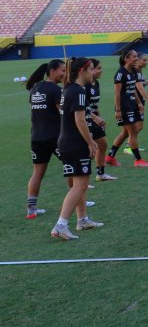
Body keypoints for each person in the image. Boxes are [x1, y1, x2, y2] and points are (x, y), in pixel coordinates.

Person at [50, 57, 102, 240]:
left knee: (81, 184)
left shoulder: (69, 88)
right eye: (91, 69)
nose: (93, 72)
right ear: (82, 70)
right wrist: (90, 142)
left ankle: (82, 220)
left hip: (66, 141)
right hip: (75, 142)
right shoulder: (78, 90)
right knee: (79, 185)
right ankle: (61, 225)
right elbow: (79, 119)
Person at [25, 59, 66, 220]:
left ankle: (31, 209)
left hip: (36, 137)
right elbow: (63, 113)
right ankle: (78, 201)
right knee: (71, 166)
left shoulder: (35, 88)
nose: (65, 74)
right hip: (55, 137)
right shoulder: (56, 90)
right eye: (62, 70)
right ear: (52, 71)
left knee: (37, 174)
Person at [107, 50, 148, 168]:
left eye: (137, 56)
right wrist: (118, 110)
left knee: (126, 133)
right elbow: (116, 93)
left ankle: (110, 157)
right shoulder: (120, 73)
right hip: (124, 107)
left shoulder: (132, 72)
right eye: (134, 56)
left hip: (131, 105)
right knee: (132, 132)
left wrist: (139, 103)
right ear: (126, 58)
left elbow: (132, 89)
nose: (137, 58)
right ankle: (138, 160)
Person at [86, 59, 116, 183]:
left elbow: (94, 103)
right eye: (98, 68)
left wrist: (100, 117)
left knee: (102, 144)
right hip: (85, 120)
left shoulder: (96, 83)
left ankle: (100, 174)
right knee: (87, 149)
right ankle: (81, 181)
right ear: (91, 70)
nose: (101, 70)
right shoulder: (83, 85)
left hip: (95, 120)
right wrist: (95, 117)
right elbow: (81, 107)